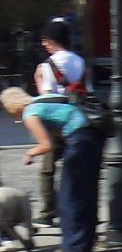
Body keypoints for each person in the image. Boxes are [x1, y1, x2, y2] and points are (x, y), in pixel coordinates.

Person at [3, 86, 102, 252]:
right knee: (87, 193)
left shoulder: (30, 114)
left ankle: (74, 246)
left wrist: (30, 153)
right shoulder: (43, 99)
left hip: (78, 140)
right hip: (93, 134)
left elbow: (46, 145)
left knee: (69, 197)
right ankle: (88, 241)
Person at [32, 19, 86, 229]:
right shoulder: (80, 61)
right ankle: (82, 210)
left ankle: (48, 211)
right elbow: (85, 90)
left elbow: (47, 99)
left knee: (48, 170)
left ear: (53, 40)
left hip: (57, 124)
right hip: (79, 120)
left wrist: (38, 80)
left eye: (45, 39)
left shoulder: (48, 65)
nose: (44, 44)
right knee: (78, 169)